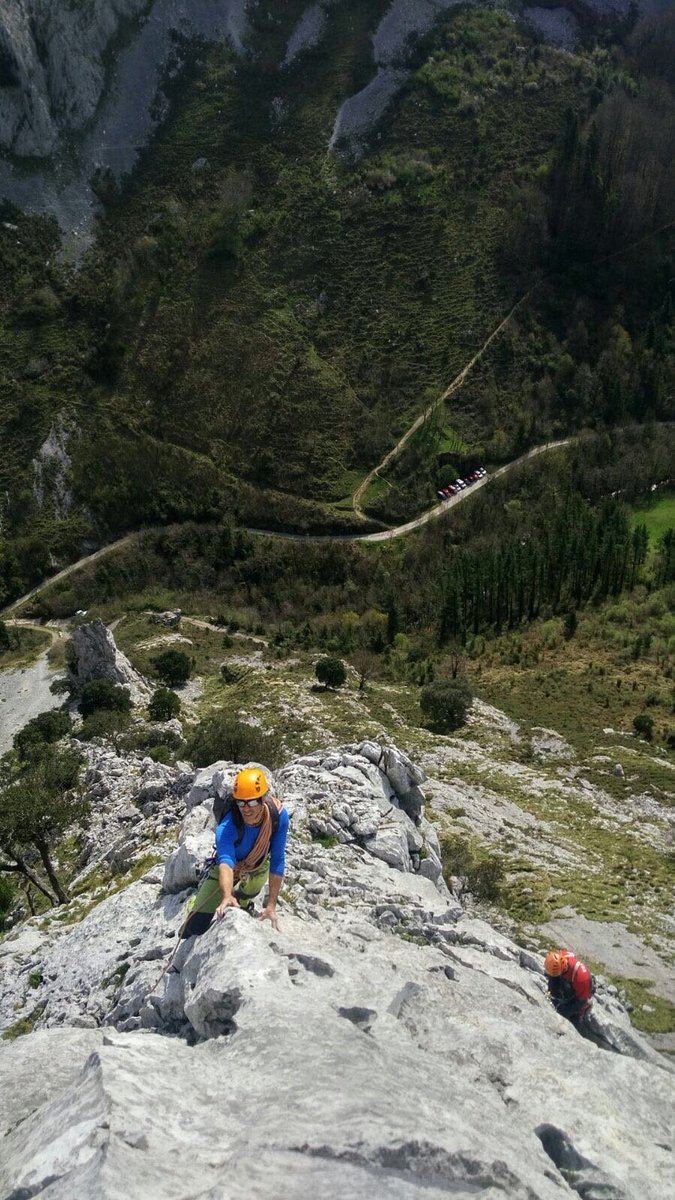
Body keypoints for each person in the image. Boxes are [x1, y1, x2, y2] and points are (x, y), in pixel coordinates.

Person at [181, 767, 289, 938]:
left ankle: (243, 900)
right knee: (193, 928)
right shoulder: (227, 827)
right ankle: (195, 903)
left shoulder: (278, 817)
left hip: (257, 865)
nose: (246, 808)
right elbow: (226, 862)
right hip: (227, 869)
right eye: (241, 802)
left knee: (255, 882)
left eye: (252, 802)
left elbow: (277, 860)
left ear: (263, 799)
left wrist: (271, 906)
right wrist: (225, 896)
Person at [544, 949, 594, 1027]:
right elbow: (553, 976)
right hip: (567, 977)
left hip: (581, 993)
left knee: (565, 1013)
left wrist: (564, 1012)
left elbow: (581, 1001)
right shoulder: (560, 956)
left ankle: (581, 1014)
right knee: (553, 988)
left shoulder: (582, 978)